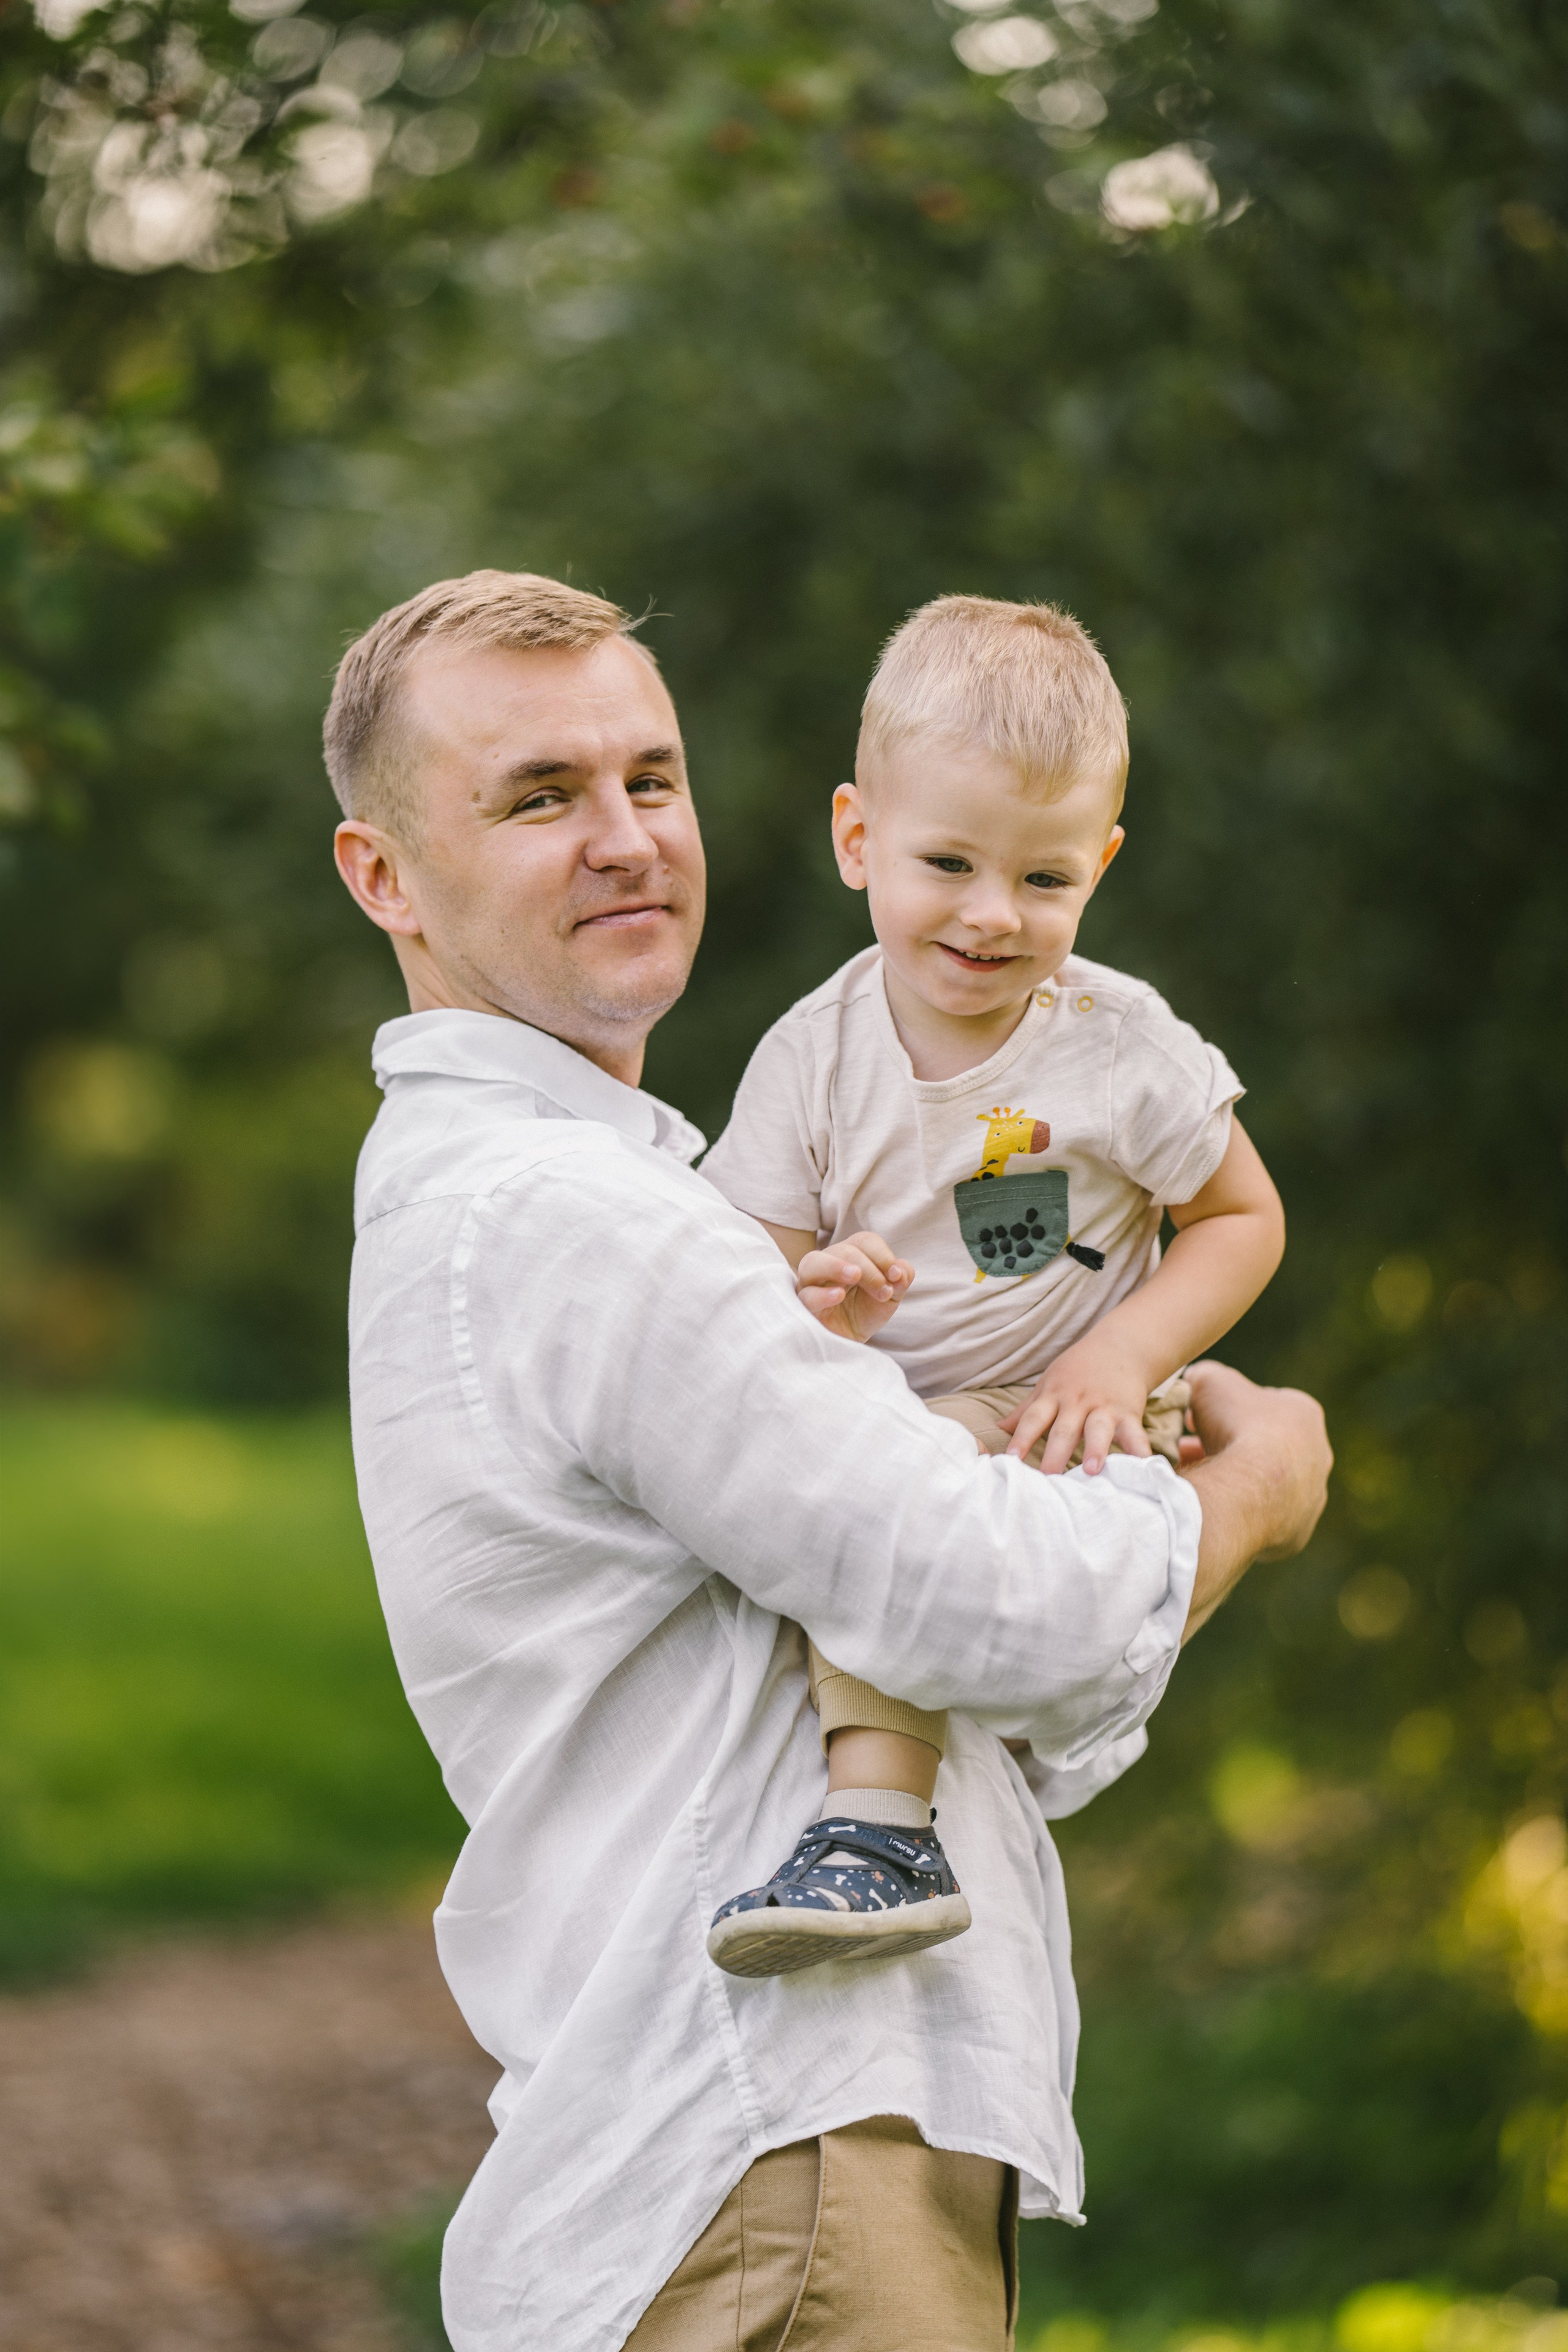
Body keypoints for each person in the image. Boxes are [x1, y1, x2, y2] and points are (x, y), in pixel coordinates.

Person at [328, 568, 1330, 2352]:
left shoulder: (611, 1198)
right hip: (773, 2161)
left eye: (653, 777)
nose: (628, 837)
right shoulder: (574, 1217)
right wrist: (1245, 1497)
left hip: (783, 2158)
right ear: (385, 876)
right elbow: (978, 1606)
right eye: (541, 796)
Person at [703, 595, 1286, 1978]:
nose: (989, 914)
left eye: (1042, 878)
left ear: (1101, 864)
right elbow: (745, 1266)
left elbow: (1241, 1216)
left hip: (1062, 1408)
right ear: (857, 838)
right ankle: (945, 1772)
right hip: (891, 1403)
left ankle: (877, 1830)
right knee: (846, 1479)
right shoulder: (812, 1057)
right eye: (947, 861)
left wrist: (1125, 1355)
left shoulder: (1116, 1046)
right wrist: (817, 1289)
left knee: (900, 1499)